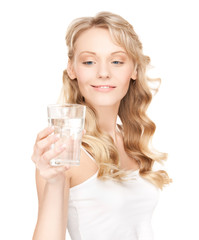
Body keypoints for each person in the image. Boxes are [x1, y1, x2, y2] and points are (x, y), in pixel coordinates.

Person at [32, 11, 171, 240]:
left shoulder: (128, 139)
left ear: (134, 69)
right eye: (89, 62)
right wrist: (55, 181)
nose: (104, 73)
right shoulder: (65, 150)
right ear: (73, 69)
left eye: (117, 61)